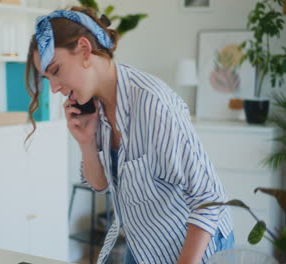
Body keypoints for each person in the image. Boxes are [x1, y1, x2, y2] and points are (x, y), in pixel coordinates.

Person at [25, 6, 234, 264]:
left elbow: (210, 199)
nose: (54, 88)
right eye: (47, 78)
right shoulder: (94, 107)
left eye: (55, 71)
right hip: (144, 245)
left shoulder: (153, 104)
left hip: (196, 248)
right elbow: (99, 185)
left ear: (84, 50)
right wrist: (86, 142)